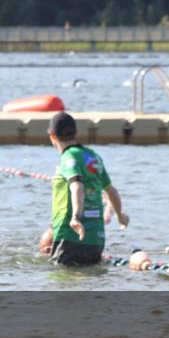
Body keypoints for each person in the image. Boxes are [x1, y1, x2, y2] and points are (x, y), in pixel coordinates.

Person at [44, 113, 128, 266]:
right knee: (89, 280)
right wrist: (120, 216)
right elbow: (111, 191)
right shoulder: (93, 156)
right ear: (75, 133)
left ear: (52, 135)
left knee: (62, 283)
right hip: (96, 238)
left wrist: (76, 217)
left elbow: (77, 186)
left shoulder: (68, 157)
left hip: (70, 235)